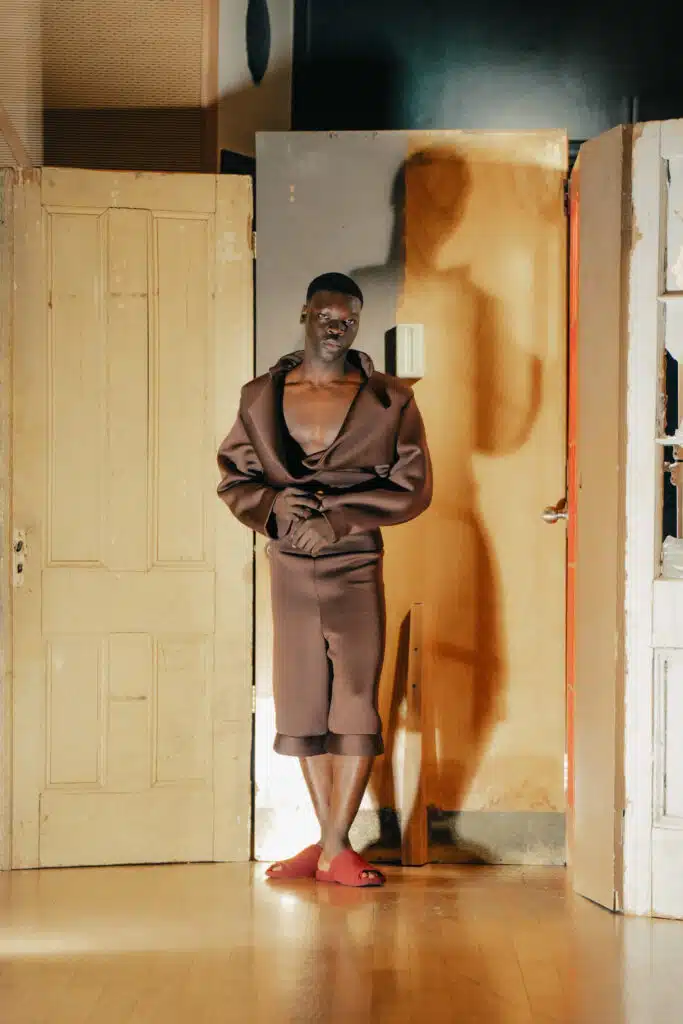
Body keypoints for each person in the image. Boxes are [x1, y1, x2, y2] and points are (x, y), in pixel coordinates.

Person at [217, 272, 432, 887]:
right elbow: (235, 476)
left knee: (356, 695)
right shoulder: (260, 395)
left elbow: (412, 486)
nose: (336, 326)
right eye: (326, 315)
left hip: (354, 559)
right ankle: (332, 846)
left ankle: (333, 846)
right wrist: (275, 510)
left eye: (349, 318)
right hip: (287, 562)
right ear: (305, 314)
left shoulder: (390, 399)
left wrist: (337, 520)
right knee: (304, 695)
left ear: (357, 323)